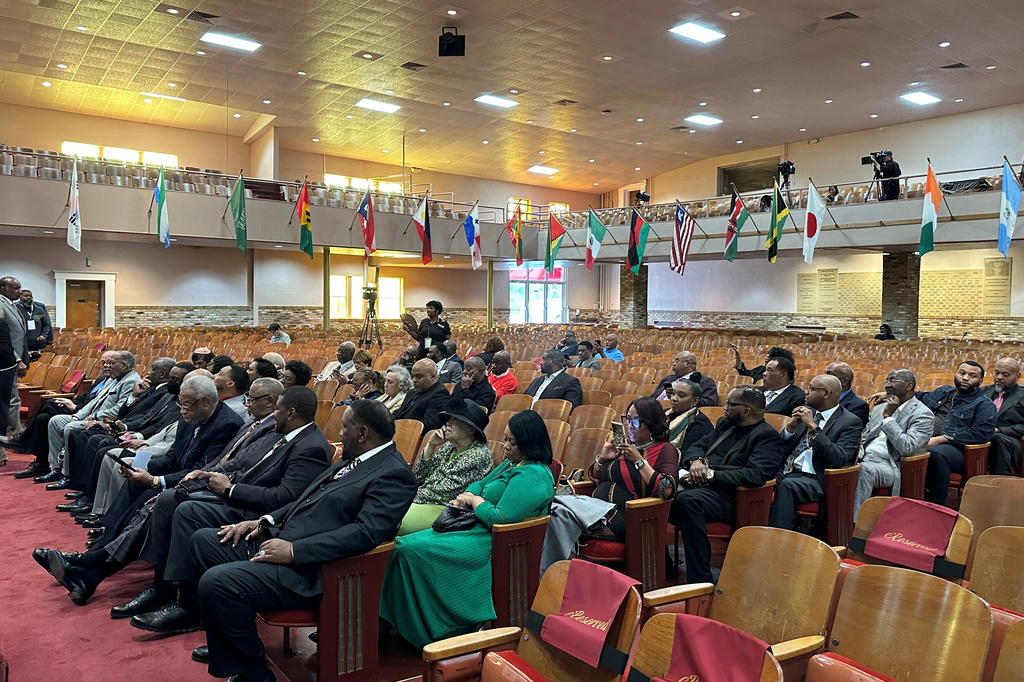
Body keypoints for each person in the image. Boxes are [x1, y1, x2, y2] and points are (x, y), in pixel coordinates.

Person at [188, 399, 418, 682]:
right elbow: (305, 499)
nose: (339, 433)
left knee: (218, 583)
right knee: (203, 540)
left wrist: (295, 551)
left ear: (362, 433)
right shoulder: (353, 458)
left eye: (344, 427)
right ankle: (240, 645)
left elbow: (366, 534)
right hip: (282, 539)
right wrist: (263, 522)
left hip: (315, 569)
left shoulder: (394, 473)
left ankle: (254, 675)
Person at [379, 409, 554, 648]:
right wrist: (469, 493)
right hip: (472, 528)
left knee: (410, 551)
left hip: (489, 541)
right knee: (399, 546)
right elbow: (481, 483)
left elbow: (499, 518)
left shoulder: (533, 475)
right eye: (505, 439)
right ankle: (390, 617)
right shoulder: (511, 463)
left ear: (529, 442)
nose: (505, 445)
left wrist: (475, 501)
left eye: (512, 442)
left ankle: (431, 627)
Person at [671, 386, 784, 584]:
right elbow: (697, 445)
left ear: (746, 411)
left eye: (730, 404)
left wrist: (709, 475)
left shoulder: (767, 437)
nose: (724, 408)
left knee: (687, 501)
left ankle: (700, 579)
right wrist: (696, 462)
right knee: (657, 488)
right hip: (704, 486)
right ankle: (661, 563)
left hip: (732, 497)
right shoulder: (725, 424)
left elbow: (756, 474)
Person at [768, 375, 863, 531]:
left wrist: (814, 428)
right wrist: (790, 429)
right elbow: (777, 448)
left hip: (817, 478)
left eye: (811, 388)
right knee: (755, 474)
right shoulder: (807, 412)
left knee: (788, 485)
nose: (806, 391)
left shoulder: (850, 422)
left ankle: (776, 538)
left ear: (826, 393)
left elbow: (839, 459)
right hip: (788, 470)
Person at [38, 350, 141, 488]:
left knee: (70, 427)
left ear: (123, 365)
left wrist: (93, 417)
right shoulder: (112, 379)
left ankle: (67, 474)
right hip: (88, 417)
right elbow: (93, 402)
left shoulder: (131, 381)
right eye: (106, 363)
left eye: (112, 363)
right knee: (55, 420)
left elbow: (118, 410)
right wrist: (76, 416)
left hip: (103, 420)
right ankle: (56, 468)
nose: (108, 366)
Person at [586, 396, 678, 540]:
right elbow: (596, 478)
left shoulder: (665, 449)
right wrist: (603, 458)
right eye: (628, 419)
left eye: (635, 421)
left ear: (651, 424)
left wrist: (639, 461)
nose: (629, 425)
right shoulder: (623, 446)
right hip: (598, 510)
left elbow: (667, 490)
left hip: (633, 518)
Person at [399, 398, 494, 535]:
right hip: (425, 500)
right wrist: (431, 446)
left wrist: (405, 494)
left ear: (470, 430)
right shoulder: (449, 447)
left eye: (456, 420)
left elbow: (441, 492)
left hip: (446, 509)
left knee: (389, 518)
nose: (448, 422)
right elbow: (418, 477)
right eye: (449, 418)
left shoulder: (478, 455)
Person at [854, 369, 933, 518]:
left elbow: (907, 448)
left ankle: (856, 528)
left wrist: (888, 418)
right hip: (864, 458)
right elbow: (865, 437)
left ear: (908, 385)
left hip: (890, 465)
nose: (887, 386)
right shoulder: (878, 408)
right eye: (887, 381)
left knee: (864, 470)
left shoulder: (923, 414)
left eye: (892, 381)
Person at [917, 361, 997, 505]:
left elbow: (980, 434)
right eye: (962, 373)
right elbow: (918, 396)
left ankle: (936, 505)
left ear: (980, 381)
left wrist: (941, 439)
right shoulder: (943, 392)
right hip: (925, 440)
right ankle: (909, 498)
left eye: (972, 376)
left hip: (961, 451)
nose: (965, 378)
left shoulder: (984, 405)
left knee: (936, 453)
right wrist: (888, 394)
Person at [981, 357, 1024, 476]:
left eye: (1005, 374)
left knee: (997, 438)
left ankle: (999, 482)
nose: (999, 377)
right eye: (996, 372)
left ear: (1017, 376)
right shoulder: (983, 391)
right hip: (981, 435)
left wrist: (999, 430)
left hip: (1010, 440)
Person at [0, 276, 28, 440]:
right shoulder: (1, 306)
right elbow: (4, 338)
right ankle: (16, 433)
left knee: (11, 396)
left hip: (11, 359)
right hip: (7, 361)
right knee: (12, 397)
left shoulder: (12, 305)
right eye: (15, 288)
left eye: (20, 287)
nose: (20, 291)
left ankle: (14, 430)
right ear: (3, 289)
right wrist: (17, 359)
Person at [394, 359, 451, 434]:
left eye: (418, 377)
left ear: (432, 377)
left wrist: (400, 428)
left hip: (411, 436)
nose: (414, 380)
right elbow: (399, 413)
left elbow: (429, 425)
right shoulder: (412, 391)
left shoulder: (440, 394)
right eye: (413, 376)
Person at [665, 377, 714, 457]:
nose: (674, 398)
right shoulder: (664, 414)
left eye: (681, 395)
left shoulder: (700, 423)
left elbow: (687, 454)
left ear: (695, 401)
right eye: (673, 394)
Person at [652, 351, 719, 408]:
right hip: (653, 411)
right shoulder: (668, 378)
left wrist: (682, 398)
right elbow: (653, 397)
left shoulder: (705, 381)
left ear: (687, 363)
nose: (673, 364)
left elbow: (710, 402)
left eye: (677, 361)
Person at [825, 361, 870, 428]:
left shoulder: (858, 406)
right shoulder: (820, 397)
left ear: (844, 381)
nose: (824, 377)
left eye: (829, 374)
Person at [0, 300, 17, 464]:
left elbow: (5, 350)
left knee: (0, 408)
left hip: (3, 368)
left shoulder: (1, 323)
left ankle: (0, 452)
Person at [18, 288, 52, 355]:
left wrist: (43, 335)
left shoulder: (39, 309)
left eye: (30, 296)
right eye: (26, 296)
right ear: (20, 297)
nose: (28, 298)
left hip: (37, 343)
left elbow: (46, 324)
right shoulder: (16, 309)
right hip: (22, 343)